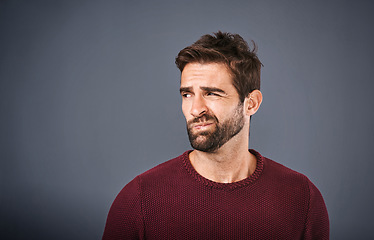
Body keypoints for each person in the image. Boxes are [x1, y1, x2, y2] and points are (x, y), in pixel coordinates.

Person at [102, 31, 329, 239]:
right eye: (187, 94)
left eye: (211, 93)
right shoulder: (139, 199)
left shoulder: (301, 198)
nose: (195, 109)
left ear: (251, 103)